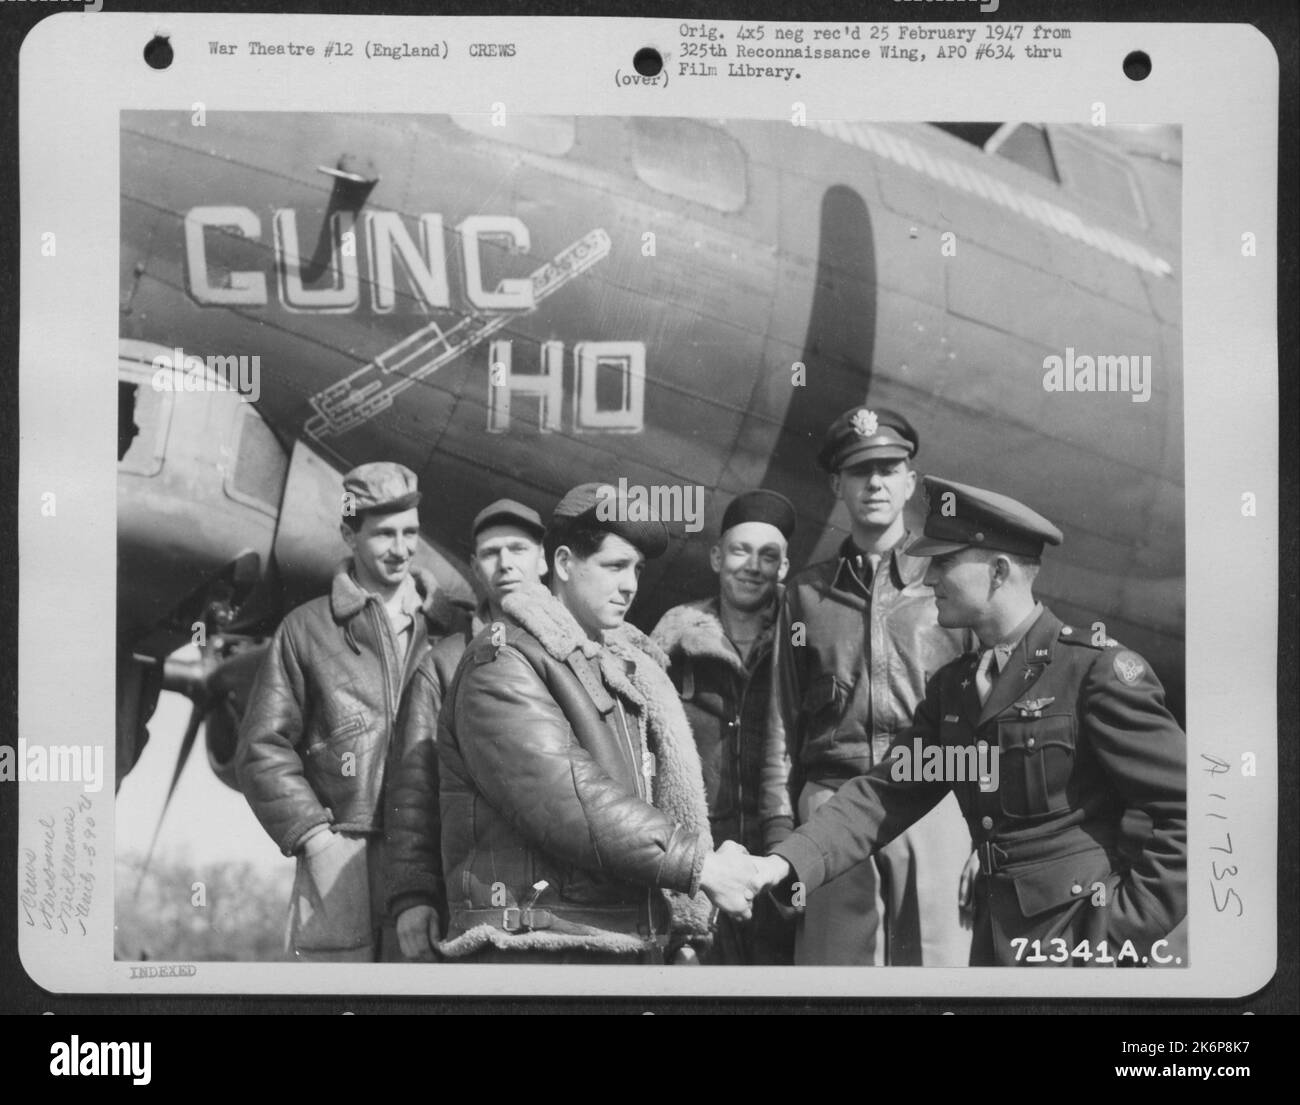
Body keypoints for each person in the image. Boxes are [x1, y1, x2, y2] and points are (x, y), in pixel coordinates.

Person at [749, 477, 1188, 966]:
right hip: (993, 949)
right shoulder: (955, 689)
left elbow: (1191, 810)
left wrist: (1120, 930)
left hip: (1079, 947)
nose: (930, 577)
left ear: (998, 572)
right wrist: (783, 863)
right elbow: (883, 795)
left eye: (944, 561)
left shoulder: (1093, 671)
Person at [426, 482, 758, 963]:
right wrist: (700, 866)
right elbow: (568, 798)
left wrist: (679, 931)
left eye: (637, 570)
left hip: (612, 943)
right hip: (535, 951)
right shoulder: (502, 660)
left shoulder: (619, 665)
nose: (630, 585)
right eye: (614, 566)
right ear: (563, 564)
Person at [760, 407, 974, 966]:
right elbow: (780, 726)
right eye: (859, 471)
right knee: (837, 981)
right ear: (837, 484)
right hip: (832, 808)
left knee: (938, 974)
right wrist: (782, 835)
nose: (874, 482)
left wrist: (990, 829)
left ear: (910, 481)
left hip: (934, 800)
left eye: (888, 468)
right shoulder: (805, 596)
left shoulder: (949, 585)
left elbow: (991, 714)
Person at [236, 462, 461, 961]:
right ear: (347, 533)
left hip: (433, 863)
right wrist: (316, 838)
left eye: (411, 533)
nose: (401, 549)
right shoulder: (305, 629)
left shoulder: (455, 631)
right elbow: (260, 749)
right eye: (384, 534)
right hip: (340, 860)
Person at [385, 498, 549, 962]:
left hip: (574, 910)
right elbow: (413, 789)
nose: (505, 563)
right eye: (491, 553)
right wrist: (412, 896)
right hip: (481, 906)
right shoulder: (444, 664)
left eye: (517, 548)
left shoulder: (576, 651)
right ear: (475, 566)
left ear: (543, 557)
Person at [652, 489, 797, 964]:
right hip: (702, 868)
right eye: (740, 551)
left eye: (768, 555)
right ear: (717, 557)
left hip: (779, 860)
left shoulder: (803, 642)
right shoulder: (676, 639)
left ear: (785, 567)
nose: (752, 566)